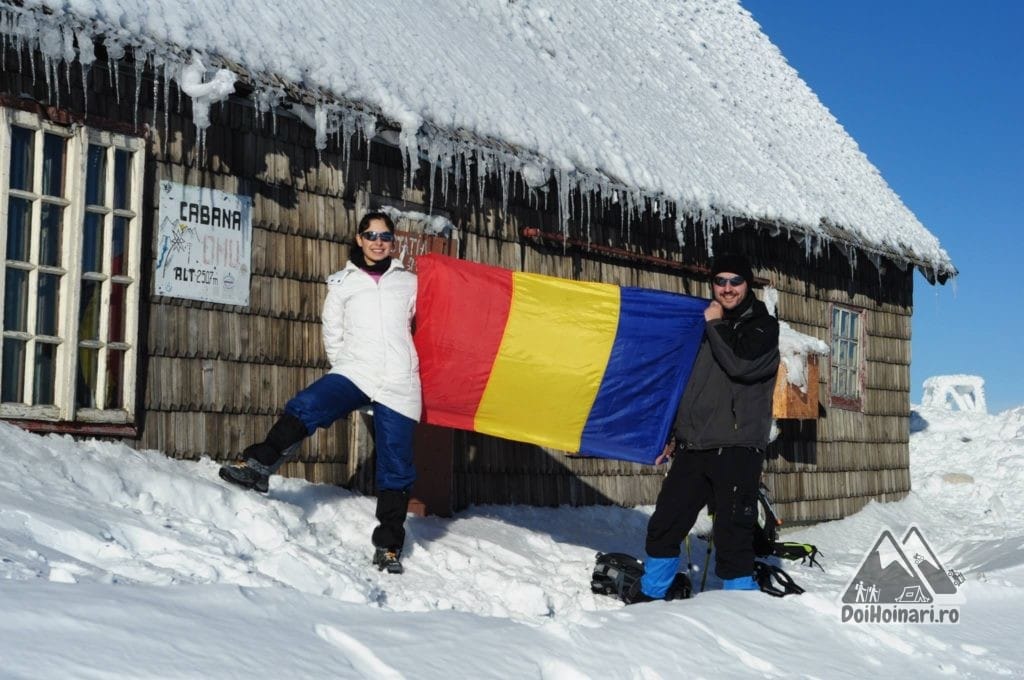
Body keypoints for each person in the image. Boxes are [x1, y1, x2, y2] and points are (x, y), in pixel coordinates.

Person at [219, 211, 420, 574]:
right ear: (359, 239)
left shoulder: (409, 283)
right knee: (308, 405)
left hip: (400, 381)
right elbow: (333, 333)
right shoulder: (342, 283)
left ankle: (388, 546)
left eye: (385, 236)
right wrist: (345, 368)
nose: (378, 242)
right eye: (371, 235)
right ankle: (259, 464)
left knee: (397, 464)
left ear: (393, 242)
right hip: (355, 370)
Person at [630, 253, 780, 602]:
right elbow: (685, 385)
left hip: (737, 447)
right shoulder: (702, 325)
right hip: (694, 446)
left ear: (748, 284)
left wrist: (715, 325)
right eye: (720, 281)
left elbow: (740, 364)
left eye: (735, 281)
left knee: (733, 532)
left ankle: (740, 605)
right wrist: (671, 433)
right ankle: (651, 594)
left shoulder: (762, 326)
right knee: (666, 522)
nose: (727, 289)